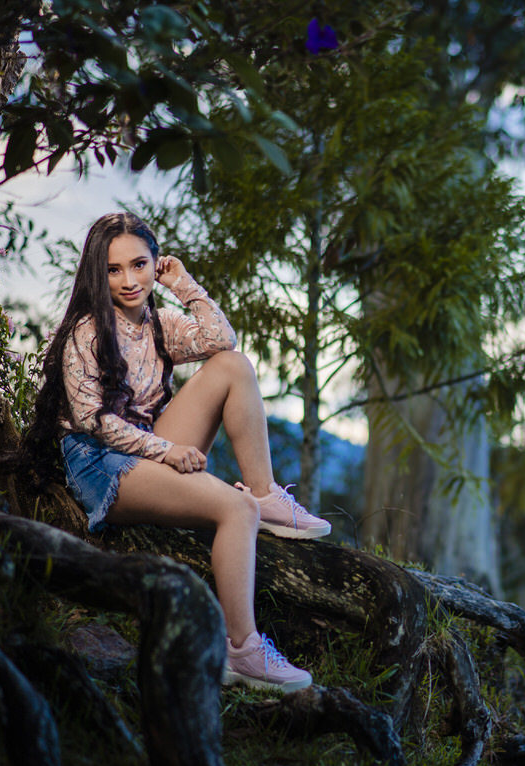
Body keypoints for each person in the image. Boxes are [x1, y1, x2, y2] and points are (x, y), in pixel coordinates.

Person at [24, 211, 328, 694]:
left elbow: (220, 340)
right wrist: (167, 451)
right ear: (96, 274)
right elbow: (94, 423)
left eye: (140, 265)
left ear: (154, 263)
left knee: (233, 365)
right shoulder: (87, 331)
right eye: (113, 269)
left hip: (150, 444)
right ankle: (241, 650)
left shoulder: (159, 323)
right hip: (101, 463)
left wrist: (183, 284)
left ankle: (267, 494)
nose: (129, 280)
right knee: (235, 507)